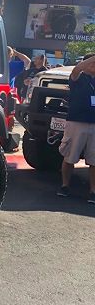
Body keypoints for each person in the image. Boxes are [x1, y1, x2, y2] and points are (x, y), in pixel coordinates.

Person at [56, 53, 95, 203]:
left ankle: (93, 191)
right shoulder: (78, 77)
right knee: (69, 157)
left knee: (94, 160)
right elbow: (77, 69)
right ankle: (65, 186)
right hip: (76, 122)